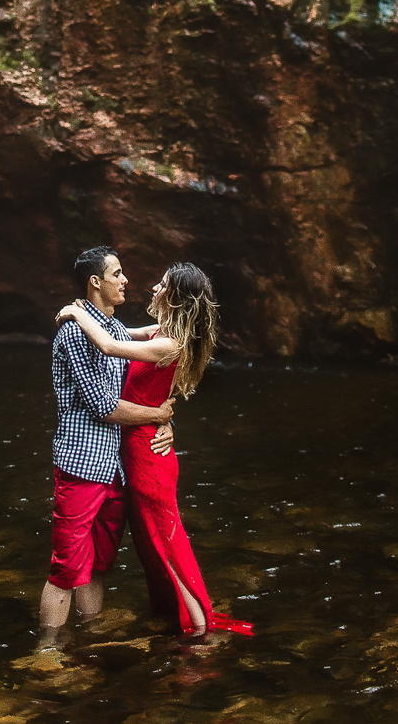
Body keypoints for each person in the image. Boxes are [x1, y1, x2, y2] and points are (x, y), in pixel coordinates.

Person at [56, 261, 253, 638]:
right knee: (154, 544)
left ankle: (199, 630)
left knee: (167, 545)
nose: (152, 288)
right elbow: (118, 330)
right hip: (139, 446)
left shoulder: (170, 343)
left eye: (162, 285)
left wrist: (75, 313)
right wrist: (164, 418)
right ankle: (182, 621)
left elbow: (110, 345)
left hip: (147, 457)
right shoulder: (160, 333)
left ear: (176, 297)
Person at [39, 246, 176, 632]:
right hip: (82, 465)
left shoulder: (110, 328)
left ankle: (90, 637)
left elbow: (149, 341)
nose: (125, 280)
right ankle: (46, 654)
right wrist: (158, 415)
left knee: (99, 563)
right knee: (66, 566)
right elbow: (103, 405)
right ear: (95, 282)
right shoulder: (74, 333)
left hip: (114, 468)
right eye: (117, 274)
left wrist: (167, 418)